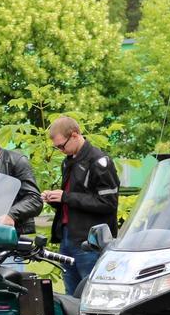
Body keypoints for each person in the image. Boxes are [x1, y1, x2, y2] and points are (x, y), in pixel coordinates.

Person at [41, 116, 119, 295]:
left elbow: (108, 203)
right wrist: (56, 199)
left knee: (93, 293)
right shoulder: (68, 160)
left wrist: (66, 197)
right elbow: (71, 201)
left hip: (90, 241)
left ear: (75, 135)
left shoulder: (100, 161)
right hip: (67, 237)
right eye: (56, 147)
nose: (60, 150)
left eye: (62, 145)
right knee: (71, 294)